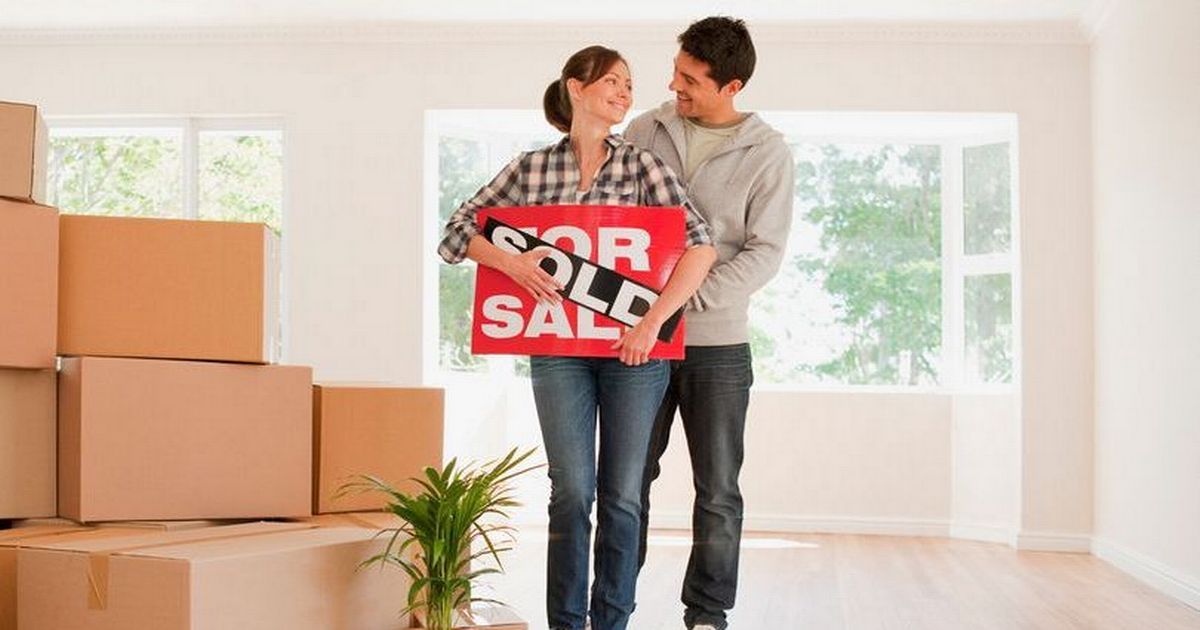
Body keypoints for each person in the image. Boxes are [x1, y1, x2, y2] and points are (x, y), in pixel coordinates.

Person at [437, 45, 717, 630]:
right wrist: (513, 262)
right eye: (612, 81)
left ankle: (610, 620)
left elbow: (700, 246)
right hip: (557, 352)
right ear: (575, 87)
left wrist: (651, 323)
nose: (624, 93)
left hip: (633, 355)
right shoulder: (531, 169)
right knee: (570, 491)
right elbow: (458, 231)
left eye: (629, 85)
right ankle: (565, 623)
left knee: (623, 496)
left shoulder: (641, 166)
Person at [624, 17, 795, 630]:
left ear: (732, 86)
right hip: (639, 340)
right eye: (676, 72)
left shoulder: (767, 152)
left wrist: (681, 300)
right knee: (626, 482)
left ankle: (707, 611)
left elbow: (764, 253)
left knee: (718, 488)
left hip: (717, 344)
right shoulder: (645, 130)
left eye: (691, 79)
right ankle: (613, 601)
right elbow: (614, 217)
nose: (675, 86)